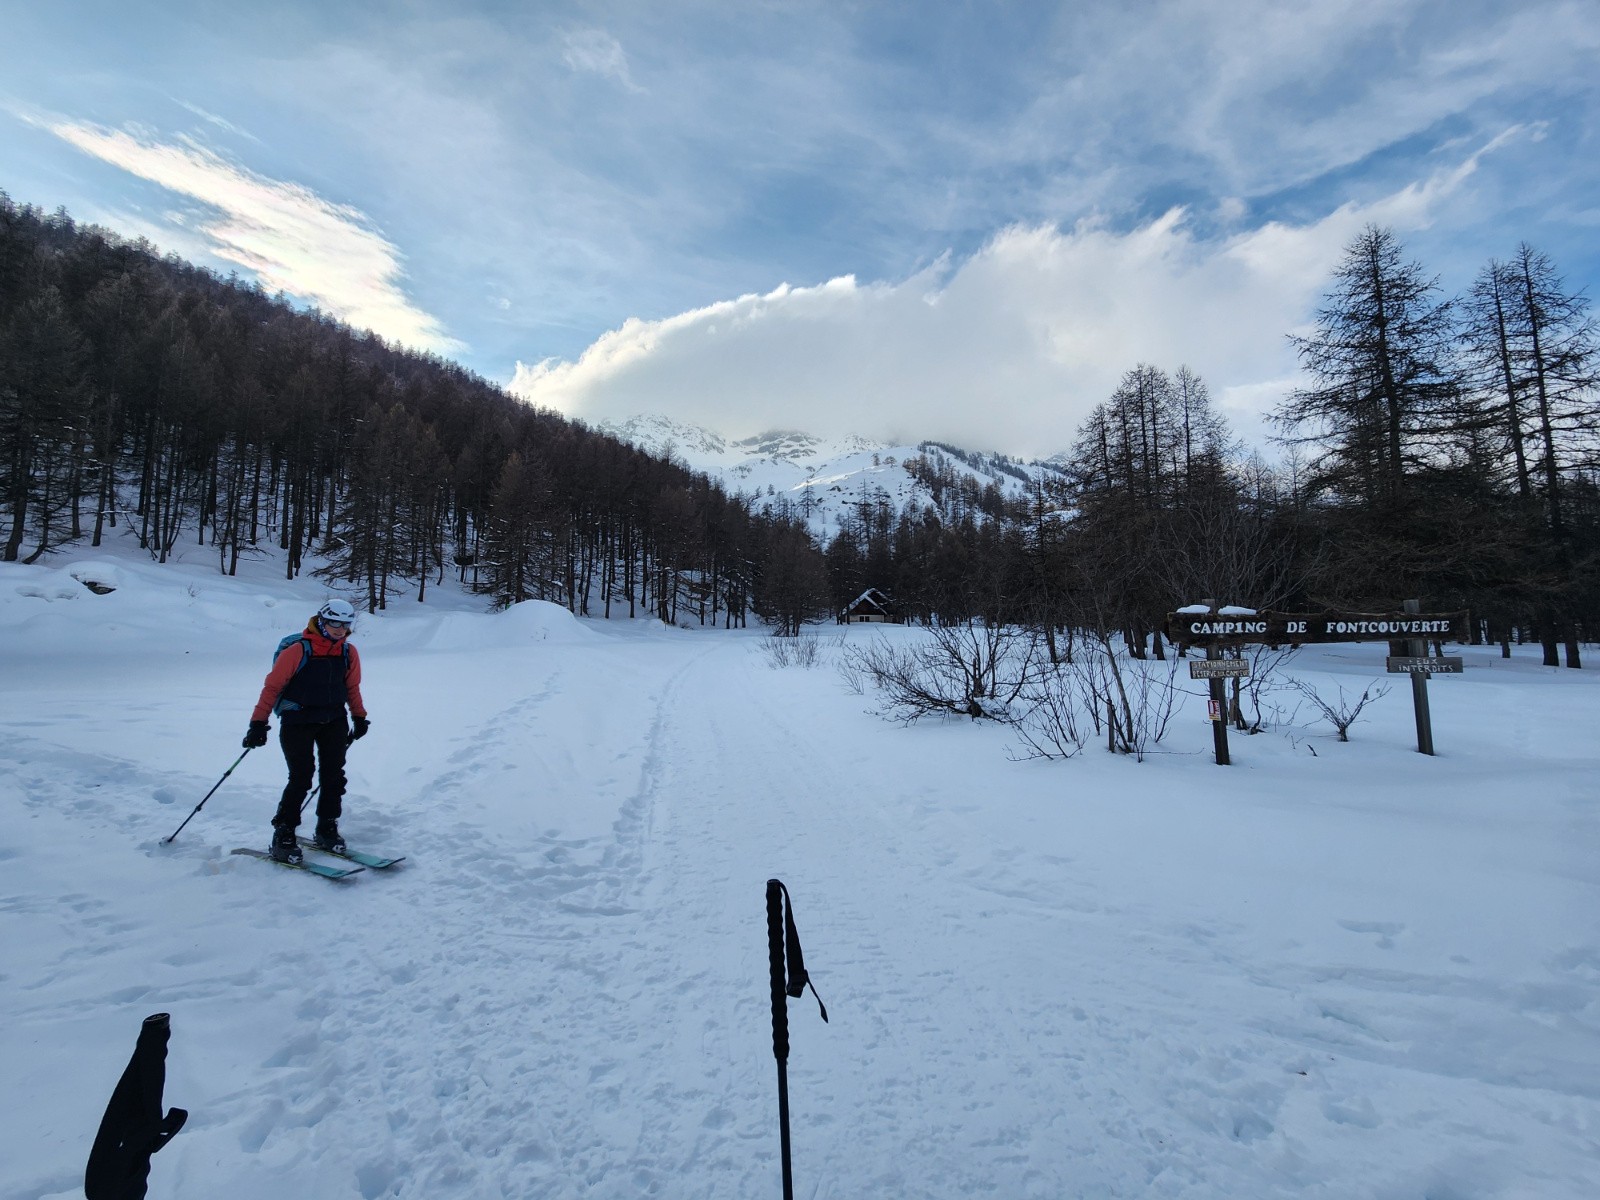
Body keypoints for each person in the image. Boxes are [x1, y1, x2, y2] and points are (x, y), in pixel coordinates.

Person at [243, 598, 370, 864]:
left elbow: (352, 687)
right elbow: (272, 687)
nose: (339, 629)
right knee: (302, 777)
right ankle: (284, 834)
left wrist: (359, 717)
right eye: (334, 623)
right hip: (297, 720)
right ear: (322, 620)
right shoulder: (298, 650)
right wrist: (258, 723)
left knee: (334, 776)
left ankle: (326, 828)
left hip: (334, 719)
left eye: (345, 624)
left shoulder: (348, 652)